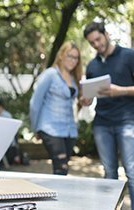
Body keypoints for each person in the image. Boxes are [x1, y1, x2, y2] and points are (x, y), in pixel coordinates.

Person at [81, 21, 134, 210]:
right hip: (102, 124)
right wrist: (86, 100)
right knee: (109, 172)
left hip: (128, 122)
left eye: (98, 39)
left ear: (106, 34)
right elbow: (91, 94)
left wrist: (120, 91)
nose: (96, 44)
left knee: (133, 173)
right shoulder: (92, 66)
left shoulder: (130, 56)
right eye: (92, 43)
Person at [29, 41, 83, 175]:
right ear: (61, 56)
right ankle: (58, 196)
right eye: (69, 56)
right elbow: (35, 103)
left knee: (63, 168)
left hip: (69, 129)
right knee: (61, 167)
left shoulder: (73, 77)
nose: (73, 60)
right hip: (50, 127)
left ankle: (60, 194)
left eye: (76, 57)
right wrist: (35, 128)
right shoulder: (50, 74)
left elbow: (77, 102)